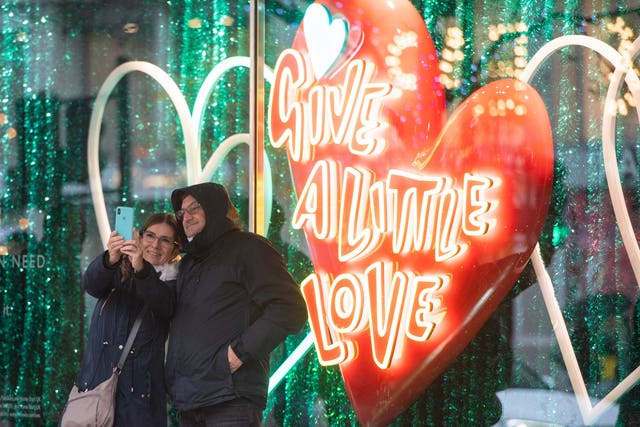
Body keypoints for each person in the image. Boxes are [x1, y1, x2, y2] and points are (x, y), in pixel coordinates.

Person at [165, 182, 308, 427]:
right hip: (189, 402)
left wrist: (239, 353)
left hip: (231, 400)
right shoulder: (189, 263)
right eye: (182, 212)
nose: (186, 217)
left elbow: (290, 307)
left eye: (194, 208)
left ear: (214, 208)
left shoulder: (248, 247)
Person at [75, 213, 181, 426]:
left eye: (165, 240)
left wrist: (141, 268)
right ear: (139, 237)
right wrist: (110, 258)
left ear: (175, 249)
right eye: (150, 236)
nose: (155, 245)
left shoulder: (173, 284)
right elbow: (91, 284)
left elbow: (162, 303)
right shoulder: (116, 271)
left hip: (139, 400)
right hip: (96, 391)